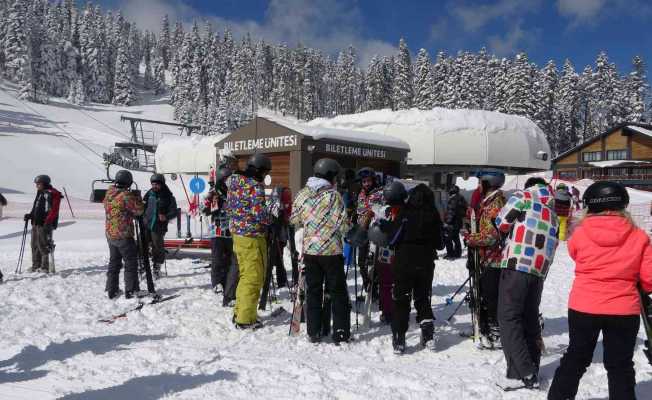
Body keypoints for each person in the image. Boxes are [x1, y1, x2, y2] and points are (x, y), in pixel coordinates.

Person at [548, 181, 652, 400]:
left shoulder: (580, 233)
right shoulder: (639, 236)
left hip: (584, 306)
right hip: (624, 309)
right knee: (620, 365)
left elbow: (576, 255)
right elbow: (649, 279)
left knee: (576, 358)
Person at [495, 177, 559, 389]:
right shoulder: (553, 214)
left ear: (529, 186)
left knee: (509, 317)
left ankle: (522, 372)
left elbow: (501, 223)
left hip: (516, 265)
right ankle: (533, 367)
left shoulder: (523, 197)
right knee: (530, 318)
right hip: (538, 271)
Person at [374, 182, 443, 354]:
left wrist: (386, 227)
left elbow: (393, 238)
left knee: (401, 299)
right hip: (426, 262)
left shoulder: (405, 212)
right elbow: (440, 244)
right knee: (422, 298)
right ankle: (428, 336)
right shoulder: (433, 214)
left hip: (404, 260)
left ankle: (399, 339)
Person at [291, 158, 351, 343]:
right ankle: (340, 331)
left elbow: (294, 219)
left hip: (310, 251)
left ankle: (313, 331)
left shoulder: (302, 194)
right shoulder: (333, 196)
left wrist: (311, 222)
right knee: (337, 291)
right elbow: (342, 225)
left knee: (314, 291)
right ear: (330, 175)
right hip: (331, 252)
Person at [226, 153, 271, 330]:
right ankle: (245, 319)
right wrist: (271, 217)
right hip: (252, 235)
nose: (265, 175)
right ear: (259, 170)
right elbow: (259, 213)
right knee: (253, 277)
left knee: (245, 275)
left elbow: (230, 206)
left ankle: (241, 311)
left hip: (238, 234)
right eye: (265, 172)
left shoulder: (234, 182)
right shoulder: (254, 185)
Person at [464, 169, 507, 349]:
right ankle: (484, 327)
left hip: (494, 258)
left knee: (491, 295)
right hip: (486, 257)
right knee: (483, 293)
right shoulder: (488, 202)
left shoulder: (494, 204)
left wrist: (470, 238)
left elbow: (491, 236)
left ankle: (495, 331)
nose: (478, 186)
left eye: (480, 182)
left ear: (488, 183)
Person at [103, 170, 144, 299]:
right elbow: (139, 210)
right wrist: (137, 198)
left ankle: (112, 289)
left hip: (111, 234)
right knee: (130, 263)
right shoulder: (126, 196)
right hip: (124, 234)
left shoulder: (109, 194)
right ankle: (131, 290)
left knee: (114, 262)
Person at [203, 165, 238, 306]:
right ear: (221, 179)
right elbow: (203, 209)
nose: (229, 182)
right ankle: (217, 282)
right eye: (226, 179)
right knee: (217, 259)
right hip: (217, 231)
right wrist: (209, 204)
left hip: (231, 232)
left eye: (230, 179)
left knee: (230, 260)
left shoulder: (234, 193)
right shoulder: (214, 192)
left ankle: (227, 282)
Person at [143, 173, 178, 278]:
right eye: (153, 184)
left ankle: (157, 268)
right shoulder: (149, 194)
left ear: (162, 184)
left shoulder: (168, 196)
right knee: (142, 245)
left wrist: (166, 217)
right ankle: (144, 267)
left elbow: (174, 211)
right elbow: (143, 205)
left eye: (157, 184)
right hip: (146, 224)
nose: (154, 186)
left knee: (157, 247)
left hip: (158, 226)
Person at [24, 175, 61, 273]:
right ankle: (36, 265)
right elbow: (36, 207)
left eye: (38, 184)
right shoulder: (40, 192)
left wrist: (48, 222)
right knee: (34, 244)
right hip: (36, 223)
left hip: (45, 223)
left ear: (44, 183)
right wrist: (30, 215)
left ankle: (45, 267)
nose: (36, 186)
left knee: (43, 245)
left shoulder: (53, 193)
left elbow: (54, 210)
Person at [355, 167, 384, 292]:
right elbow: (359, 211)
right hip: (362, 231)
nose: (366, 184)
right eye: (364, 181)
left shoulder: (379, 193)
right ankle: (367, 283)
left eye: (368, 181)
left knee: (374, 261)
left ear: (373, 180)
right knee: (361, 262)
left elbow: (384, 212)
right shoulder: (360, 194)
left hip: (375, 232)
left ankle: (375, 287)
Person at [443, 185, 467, 259]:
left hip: (452, 223)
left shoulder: (453, 199)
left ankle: (450, 253)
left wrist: (447, 222)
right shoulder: (461, 198)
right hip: (458, 222)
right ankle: (457, 253)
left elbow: (451, 211)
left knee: (448, 239)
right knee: (456, 238)